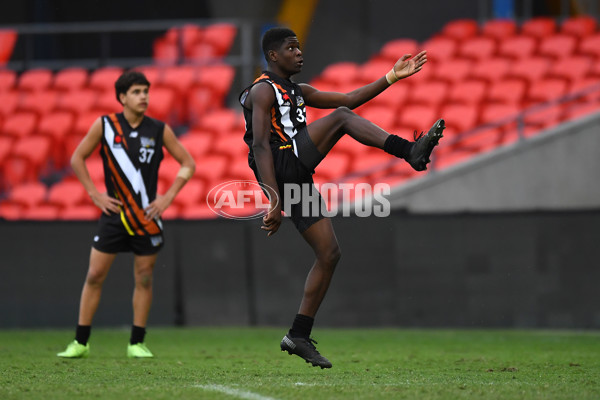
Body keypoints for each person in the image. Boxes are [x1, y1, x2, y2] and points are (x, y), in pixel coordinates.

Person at [239, 27, 445, 369]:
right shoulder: (262, 90)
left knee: (329, 253)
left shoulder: (297, 91)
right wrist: (273, 201)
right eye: (291, 48)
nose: (299, 53)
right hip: (280, 165)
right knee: (340, 120)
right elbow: (260, 145)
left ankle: (298, 335)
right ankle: (410, 151)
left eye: (300, 47)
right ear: (273, 56)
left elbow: (349, 99)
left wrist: (392, 76)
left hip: (297, 173)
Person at [57, 71, 195, 358]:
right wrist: (94, 195)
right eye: (136, 91)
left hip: (147, 216)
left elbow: (187, 164)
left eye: (146, 90)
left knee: (144, 277)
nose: (143, 96)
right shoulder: (105, 125)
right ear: (122, 97)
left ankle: (136, 342)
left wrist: (167, 197)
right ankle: (80, 342)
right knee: (95, 275)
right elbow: (76, 157)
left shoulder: (158, 129)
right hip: (114, 216)